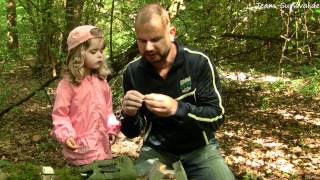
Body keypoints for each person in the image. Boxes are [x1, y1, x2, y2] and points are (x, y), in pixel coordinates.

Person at [120, 3, 235, 179]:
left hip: (200, 148)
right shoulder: (133, 72)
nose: (148, 47)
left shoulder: (198, 62)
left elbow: (216, 116)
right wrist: (129, 113)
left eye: (155, 39)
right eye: (142, 41)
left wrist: (177, 109)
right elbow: (132, 132)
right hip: (157, 151)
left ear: (171, 33)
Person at [51, 25, 120, 166]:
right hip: (80, 150)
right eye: (94, 51)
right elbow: (60, 114)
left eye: (101, 51)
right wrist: (66, 135)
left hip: (103, 147)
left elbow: (108, 111)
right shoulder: (68, 84)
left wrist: (111, 128)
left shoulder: (102, 82)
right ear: (79, 54)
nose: (100, 55)